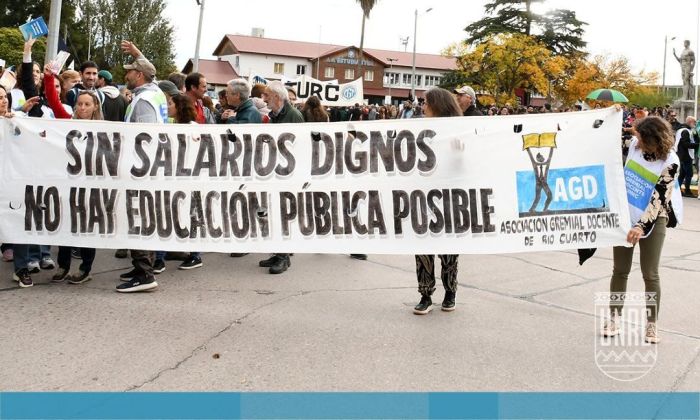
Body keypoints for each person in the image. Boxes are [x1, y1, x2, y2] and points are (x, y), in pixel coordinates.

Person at [602, 116, 681, 343]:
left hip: (654, 219)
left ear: (656, 140)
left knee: (650, 273)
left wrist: (640, 225)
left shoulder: (670, 161)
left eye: (643, 139)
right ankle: (614, 318)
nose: (638, 142)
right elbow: (604, 139)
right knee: (620, 270)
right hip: (625, 217)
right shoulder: (634, 146)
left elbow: (659, 198)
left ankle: (651, 324)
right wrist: (610, 114)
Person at [117, 40, 168, 292]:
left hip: (141, 169)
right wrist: (139, 53)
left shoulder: (144, 100)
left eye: (129, 71)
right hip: (148, 169)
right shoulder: (154, 91)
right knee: (141, 217)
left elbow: (146, 138)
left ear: (138, 76)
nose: (125, 75)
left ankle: (145, 274)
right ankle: (141, 267)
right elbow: (153, 72)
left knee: (138, 218)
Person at [43, 65, 101, 284]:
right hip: (67, 184)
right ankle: (64, 266)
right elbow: (53, 100)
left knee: (86, 229)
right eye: (80, 104)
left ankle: (86, 268)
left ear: (95, 107)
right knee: (65, 226)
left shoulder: (104, 129)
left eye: (87, 105)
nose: (82, 108)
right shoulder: (67, 120)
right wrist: (49, 78)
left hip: (90, 186)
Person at [412, 87, 463, 315]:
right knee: (423, 248)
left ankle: (450, 292)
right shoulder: (418, 129)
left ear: (437, 106)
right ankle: (425, 294)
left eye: (426, 103)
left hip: (450, 198)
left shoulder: (458, 132)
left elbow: (466, 165)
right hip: (423, 196)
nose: (423, 107)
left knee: (448, 249)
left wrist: (458, 154)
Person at [258, 81, 304, 274]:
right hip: (276, 171)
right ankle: (278, 253)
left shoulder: (293, 116)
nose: (264, 98)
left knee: (283, 214)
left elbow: (298, 145)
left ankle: (284, 257)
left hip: (287, 173)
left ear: (277, 97)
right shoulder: (275, 116)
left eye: (267, 95)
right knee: (275, 213)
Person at [676, 116, 699, 197]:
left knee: (682, 174)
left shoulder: (681, 129)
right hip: (686, 156)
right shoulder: (685, 131)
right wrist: (697, 145)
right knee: (689, 174)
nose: (695, 124)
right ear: (690, 122)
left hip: (681, 155)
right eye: (694, 122)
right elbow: (686, 144)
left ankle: (678, 190)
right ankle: (687, 191)